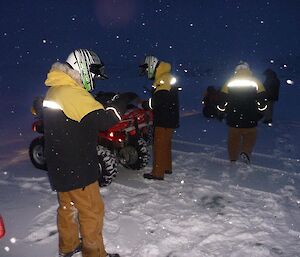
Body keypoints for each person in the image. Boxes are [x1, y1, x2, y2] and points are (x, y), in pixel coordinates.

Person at [43, 49, 126, 257]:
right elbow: (105, 120)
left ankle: (68, 247)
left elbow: (76, 118)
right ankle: (95, 253)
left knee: (67, 209)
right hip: (77, 167)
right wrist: (118, 104)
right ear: (83, 68)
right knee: (92, 212)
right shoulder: (72, 93)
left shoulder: (56, 88)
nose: (95, 79)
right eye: (93, 73)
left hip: (60, 165)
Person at [217, 61, 267, 164]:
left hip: (233, 116)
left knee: (233, 138)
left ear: (236, 70)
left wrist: (221, 110)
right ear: (248, 69)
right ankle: (245, 152)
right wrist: (261, 110)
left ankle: (233, 158)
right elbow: (262, 101)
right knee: (250, 136)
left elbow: (223, 100)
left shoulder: (229, 82)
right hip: (251, 115)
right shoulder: (256, 82)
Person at [139, 55, 180, 180]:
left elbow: (160, 99)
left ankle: (158, 173)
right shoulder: (166, 77)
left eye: (146, 70)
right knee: (166, 144)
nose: (146, 73)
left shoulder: (163, 79)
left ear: (152, 66)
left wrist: (145, 104)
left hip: (164, 118)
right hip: (170, 117)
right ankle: (166, 167)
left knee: (159, 145)